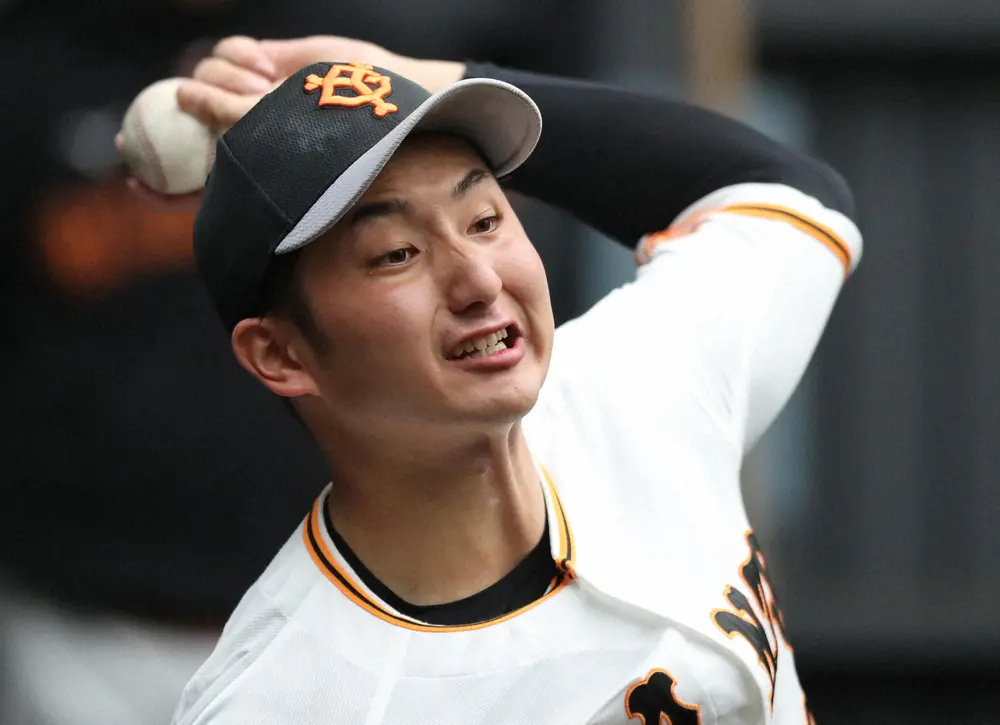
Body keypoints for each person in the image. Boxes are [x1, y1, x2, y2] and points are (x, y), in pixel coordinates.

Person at [151, 35, 862, 725]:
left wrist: (434, 80)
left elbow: (792, 195)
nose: (480, 281)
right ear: (281, 354)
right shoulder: (281, 700)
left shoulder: (634, 383)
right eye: (397, 253)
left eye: (486, 219)